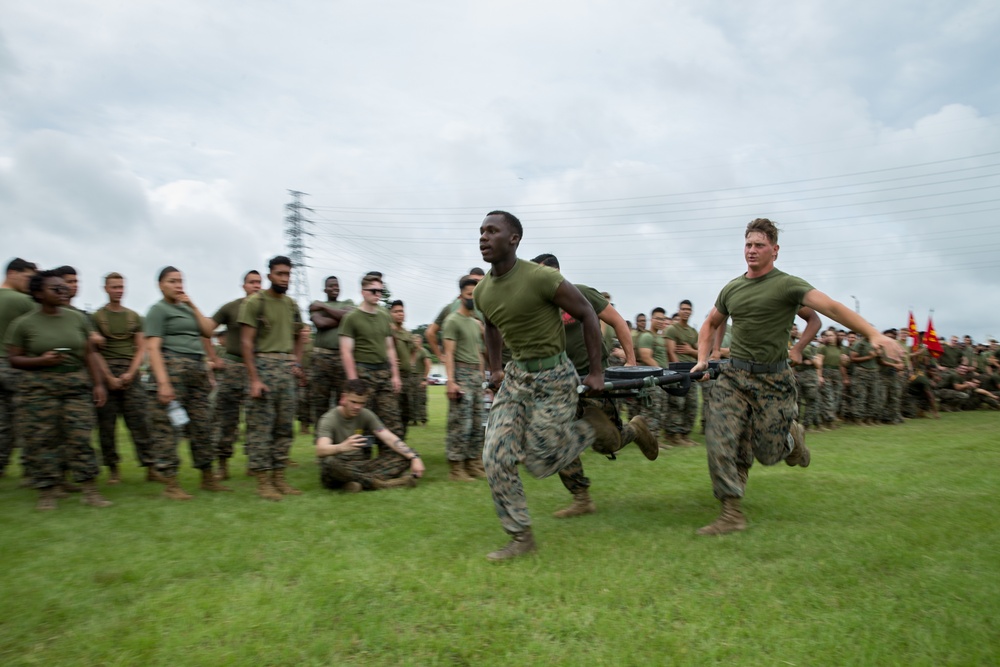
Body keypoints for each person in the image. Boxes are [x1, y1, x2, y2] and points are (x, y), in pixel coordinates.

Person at [691, 218, 902, 535]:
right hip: (734, 378)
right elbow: (709, 323)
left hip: (773, 381)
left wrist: (873, 334)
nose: (752, 250)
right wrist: (703, 359)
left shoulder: (787, 285)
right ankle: (731, 513)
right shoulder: (732, 288)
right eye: (748, 245)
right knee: (719, 440)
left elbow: (829, 307)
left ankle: (793, 441)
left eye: (759, 245)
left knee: (768, 452)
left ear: (774, 251)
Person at [474, 210, 622, 561]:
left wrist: (596, 372)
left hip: (555, 375)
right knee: (494, 456)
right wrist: (495, 370)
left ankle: (590, 427)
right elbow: (491, 327)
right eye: (481, 231)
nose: (483, 237)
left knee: (540, 462)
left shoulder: (541, 278)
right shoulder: (482, 291)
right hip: (516, 377)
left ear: (514, 239)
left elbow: (587, 312)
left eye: (492, 231)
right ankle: (520, 537)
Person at [531, 253, 657, 520]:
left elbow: (617, 321)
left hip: (594, 378)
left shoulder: (581, 293)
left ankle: (635, 429)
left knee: (607, 442)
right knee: (557, 438)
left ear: (556, 274)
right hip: (559, 383)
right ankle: (581, 498)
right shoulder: (536, 307)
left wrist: (632, 362)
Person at [5, 270, 111, 509]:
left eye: (64, 288)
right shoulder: (23, 324)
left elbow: (89, 354)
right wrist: (40, 361)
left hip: (75, 385)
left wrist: (98, 384)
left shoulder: (76, 319)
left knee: (81, 436)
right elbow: (14, 359)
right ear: (38, 293)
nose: (63, 292)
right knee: (43, 439)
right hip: (40, 388)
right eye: (56, 289)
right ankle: (48, 491)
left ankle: (90, 491)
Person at [145, 266, 228, 499]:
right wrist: (163, 383)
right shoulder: (157, 310)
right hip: (172, 369)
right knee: (167, 428)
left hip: (196, 371)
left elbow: (207, 331)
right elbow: (152, 348)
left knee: (203, 424)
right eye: (172, 281)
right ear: (160, 285)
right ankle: (171, 483)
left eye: (181, 281)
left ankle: (208, 478)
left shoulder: (187, 309)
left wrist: (192, 305)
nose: (178, 285)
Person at [239, 256, 306, 501]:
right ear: (270, 276)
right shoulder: (256, 302)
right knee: (260, 428)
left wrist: (296, 362)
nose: (284, 278)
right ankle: (263, 482)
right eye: (280, 274)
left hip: (285, 369)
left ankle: (279, 477)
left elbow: (301, 334)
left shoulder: (291, 305)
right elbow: (246, 343)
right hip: (263, 366)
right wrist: (254, 379)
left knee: (284, 427)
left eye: (288, 274)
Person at [91, 272, 154, 483]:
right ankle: (113, 469)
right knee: (107, 426)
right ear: (106, 289)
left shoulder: (134, 317)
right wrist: (108, 377)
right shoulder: (96, 318)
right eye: (114, 287)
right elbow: (93, 351)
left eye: (121, 287)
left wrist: (131, 372)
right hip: (105, 371)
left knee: (140, 422)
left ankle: (150, 466)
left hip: (130, 373)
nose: (118, 291)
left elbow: (140, 348)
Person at [315, 379, 424, 491]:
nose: (357, 407)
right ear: (343, 398)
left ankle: (354, 484)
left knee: (406, 454)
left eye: (361, 403)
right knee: (330, 463)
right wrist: (341, 447)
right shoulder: (329, 419)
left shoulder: (365, 414)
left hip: (361, 466)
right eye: (353, 402)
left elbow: (388, 437)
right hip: (340, 466)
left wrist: (414, 457)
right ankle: (381, 484)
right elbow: (321, 450)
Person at [208, 270, 262, 480]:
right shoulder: (231, 308)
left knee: (256, 418)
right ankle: (222, 464)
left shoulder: (265, 308)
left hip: (256, 369)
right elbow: (206, 330)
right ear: (244, 286)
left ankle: (253, 463)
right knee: (227, 418)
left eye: (258, 282)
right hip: (232, 367)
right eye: (251, 282)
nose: (255, 286)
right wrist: (213, 357)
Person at [339, 275, 403, 435]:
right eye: (373, 291)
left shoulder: (384, 316)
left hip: (383, 373)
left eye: (380, 291)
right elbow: (346, 351)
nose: (377, 294)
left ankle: (388, 457)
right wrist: (353, 381)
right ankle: (362, 457)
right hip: (363, 373)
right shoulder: (351, 318)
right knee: (363, 419)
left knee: (391, 419)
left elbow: (390, 348)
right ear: (363, 292)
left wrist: (395, 375)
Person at [441, 277, 486, 481]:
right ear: (460, 296)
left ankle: (473, 462)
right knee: (460, 423)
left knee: (477, 422)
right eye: (469, 295)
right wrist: (450, 380)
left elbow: (479, 352)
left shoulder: (476, 323)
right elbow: (448, 353)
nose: (472, 299)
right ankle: (456, 469)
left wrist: (483, 377)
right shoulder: (452, 321)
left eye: (475, 295)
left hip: (476, 376)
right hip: (461, 374)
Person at [0, 258, 37, 479]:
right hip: (15, 366)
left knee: (2, 422)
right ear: (12, 273)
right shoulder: (24, 301)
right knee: (27, 419)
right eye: (27, 277)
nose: (30, 283)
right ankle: (31, 471)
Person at [308, 275, 354, 422]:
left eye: (337, 285)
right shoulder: (315, 303)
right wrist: (341, 317)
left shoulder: (347, 302)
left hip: (342, 358)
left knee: (344, 396)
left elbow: (349, 315)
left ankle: (341, 433)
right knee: (320, 399)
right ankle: (321, 435)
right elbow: (320, 324)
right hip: (322, 358)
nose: (335, 288)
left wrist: (324, 308)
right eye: (331, 286)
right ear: (325, 289)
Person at [664, 300, 700, 446]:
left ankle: (684, 434)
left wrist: (690, 351)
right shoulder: (672, 330)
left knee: (692, 404)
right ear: (679, 310)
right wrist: (678, 371)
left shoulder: (692, 332)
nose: (686, 311)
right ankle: (673, 434)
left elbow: (699, 354)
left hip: (691, 373)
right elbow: (671, 352)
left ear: (691, 312)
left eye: (688, 309)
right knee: (677, 403)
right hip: (678, 373)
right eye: (683, 309)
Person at [389, 300, 415, 439]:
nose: (400, 314)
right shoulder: (388, 333)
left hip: (407, 377)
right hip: (393, 377)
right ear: (390, 314)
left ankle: (401, 440)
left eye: (402, 311)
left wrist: (410, 362)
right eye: (396, 311)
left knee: (406, 411)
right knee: (393, 412)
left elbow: (412, 351)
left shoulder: (407, 334)